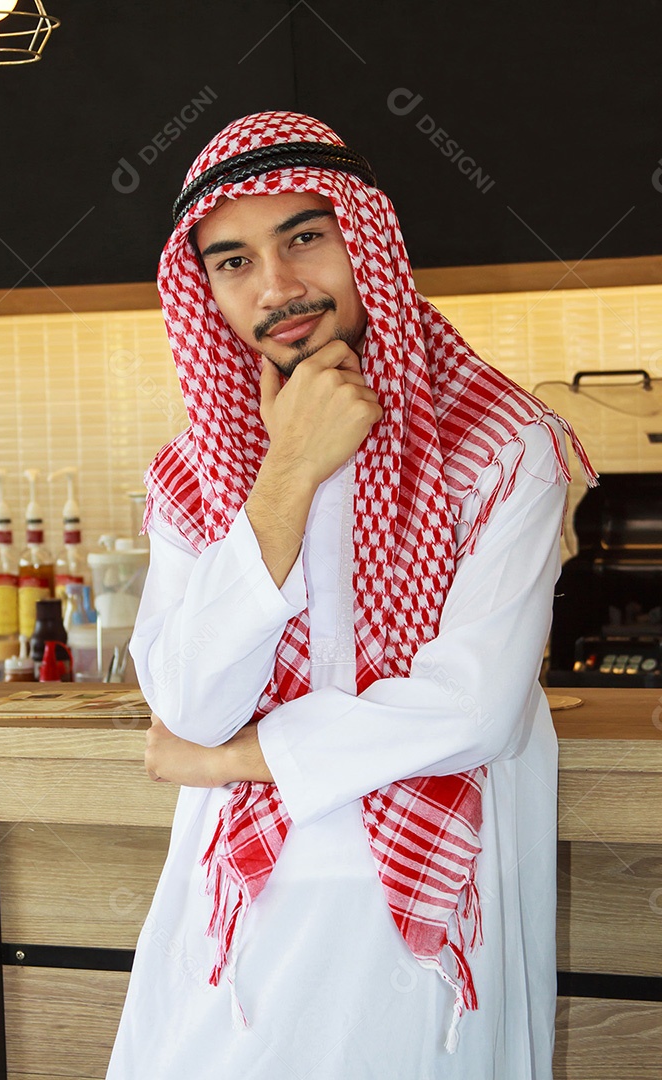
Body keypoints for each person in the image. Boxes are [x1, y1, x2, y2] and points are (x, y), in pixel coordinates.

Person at [105, 111, 596, 1080]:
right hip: (235, 940)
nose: (277, 288)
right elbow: (191, 700)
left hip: (423, 936)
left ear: (362, 237)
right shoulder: (191, 477)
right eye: (233, 261)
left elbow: (475, 709)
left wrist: (238, 757)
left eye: (303, 238)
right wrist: (288, 474)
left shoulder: (506, 448)